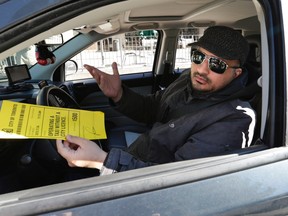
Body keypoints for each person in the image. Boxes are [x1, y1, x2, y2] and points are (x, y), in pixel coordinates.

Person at [56, 26, 256, 175]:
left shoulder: (234, 120)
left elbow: (177, 179)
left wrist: (102, 161)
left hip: (145, 182)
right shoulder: (188, 79)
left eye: (217, 64)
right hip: (136, 157)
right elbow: (154, 108)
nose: (202, 69)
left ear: (236, 73)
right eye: (198, 56)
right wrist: (118, 94)